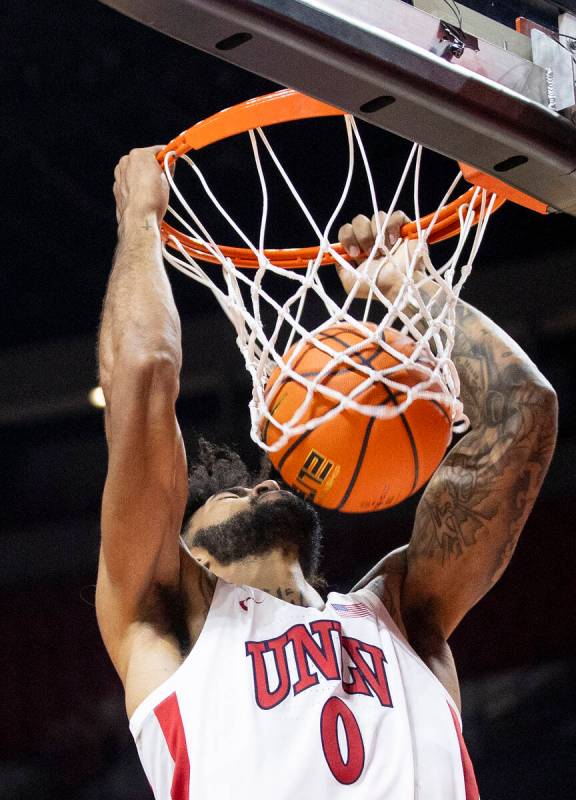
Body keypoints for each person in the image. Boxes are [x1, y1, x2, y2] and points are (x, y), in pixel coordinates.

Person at [96, 147, 558, 799]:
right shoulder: (168, 620)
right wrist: (140, 218)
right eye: (227, 495)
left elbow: (522, 413)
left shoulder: (403, 611)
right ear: (188, 552)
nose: (257, 483)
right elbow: (143, 373)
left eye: (254, 480)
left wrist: (410, 286)